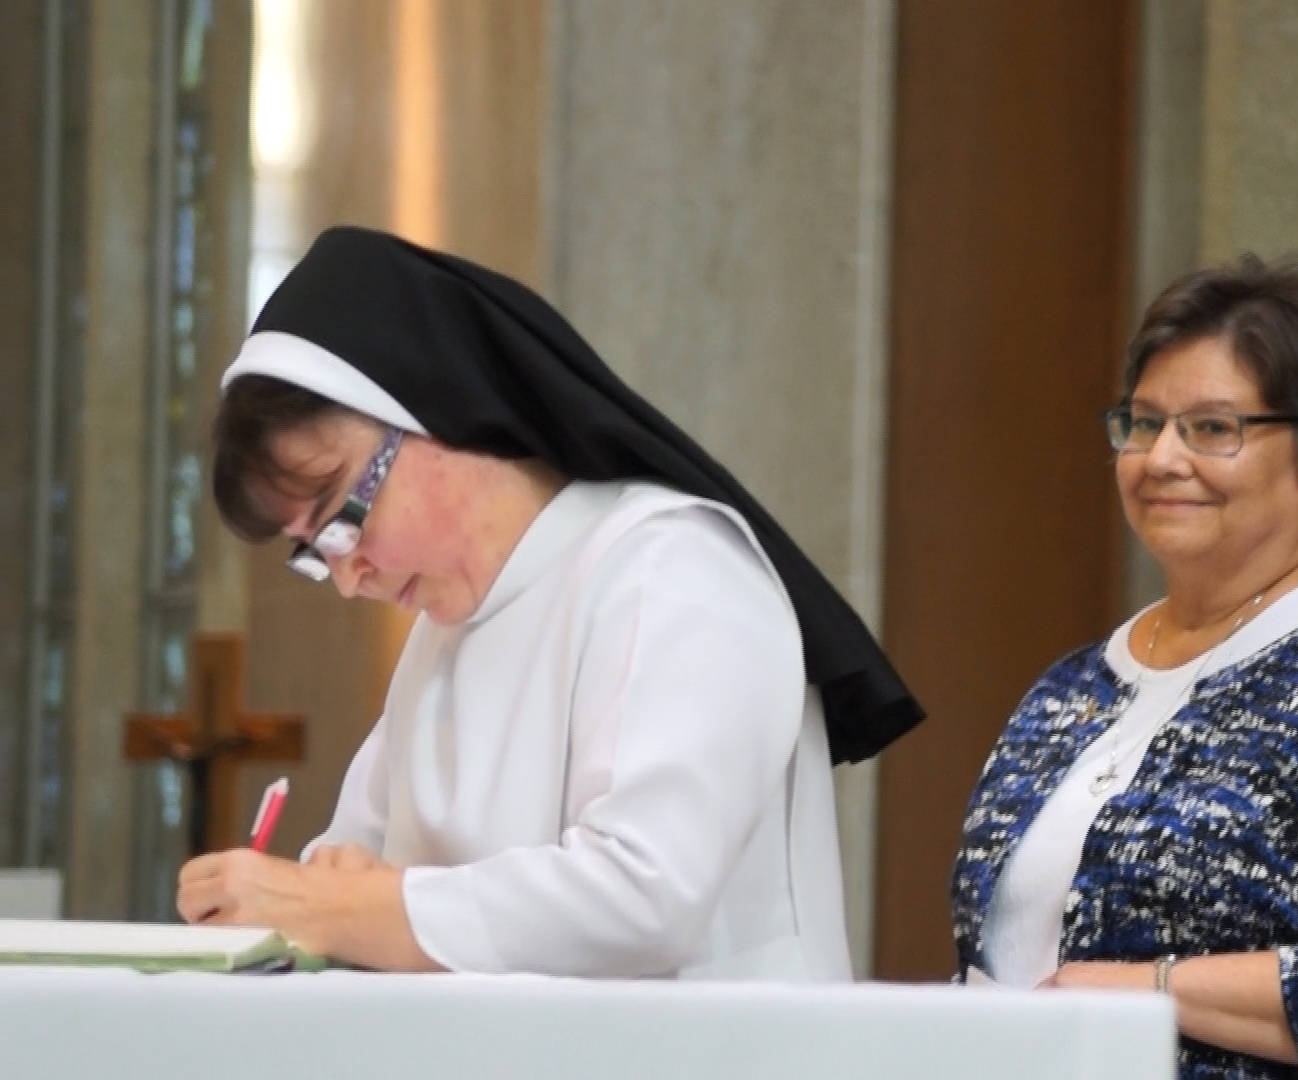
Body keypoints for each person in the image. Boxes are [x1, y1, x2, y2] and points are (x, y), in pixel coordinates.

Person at [174, 225, 922, 979]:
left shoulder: (674, 569)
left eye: (341, 521)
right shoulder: (445, 635)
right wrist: (311, 889)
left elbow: (640, 897)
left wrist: (332, 907)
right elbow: (353, 872)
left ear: (433, 409)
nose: (347, 577)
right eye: (315, 554)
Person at [949, 254, 1298, 1079]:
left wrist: (1149, 990)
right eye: (1143, 423)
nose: (1161, 459)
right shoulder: (1072, 685)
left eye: (1213, 429)